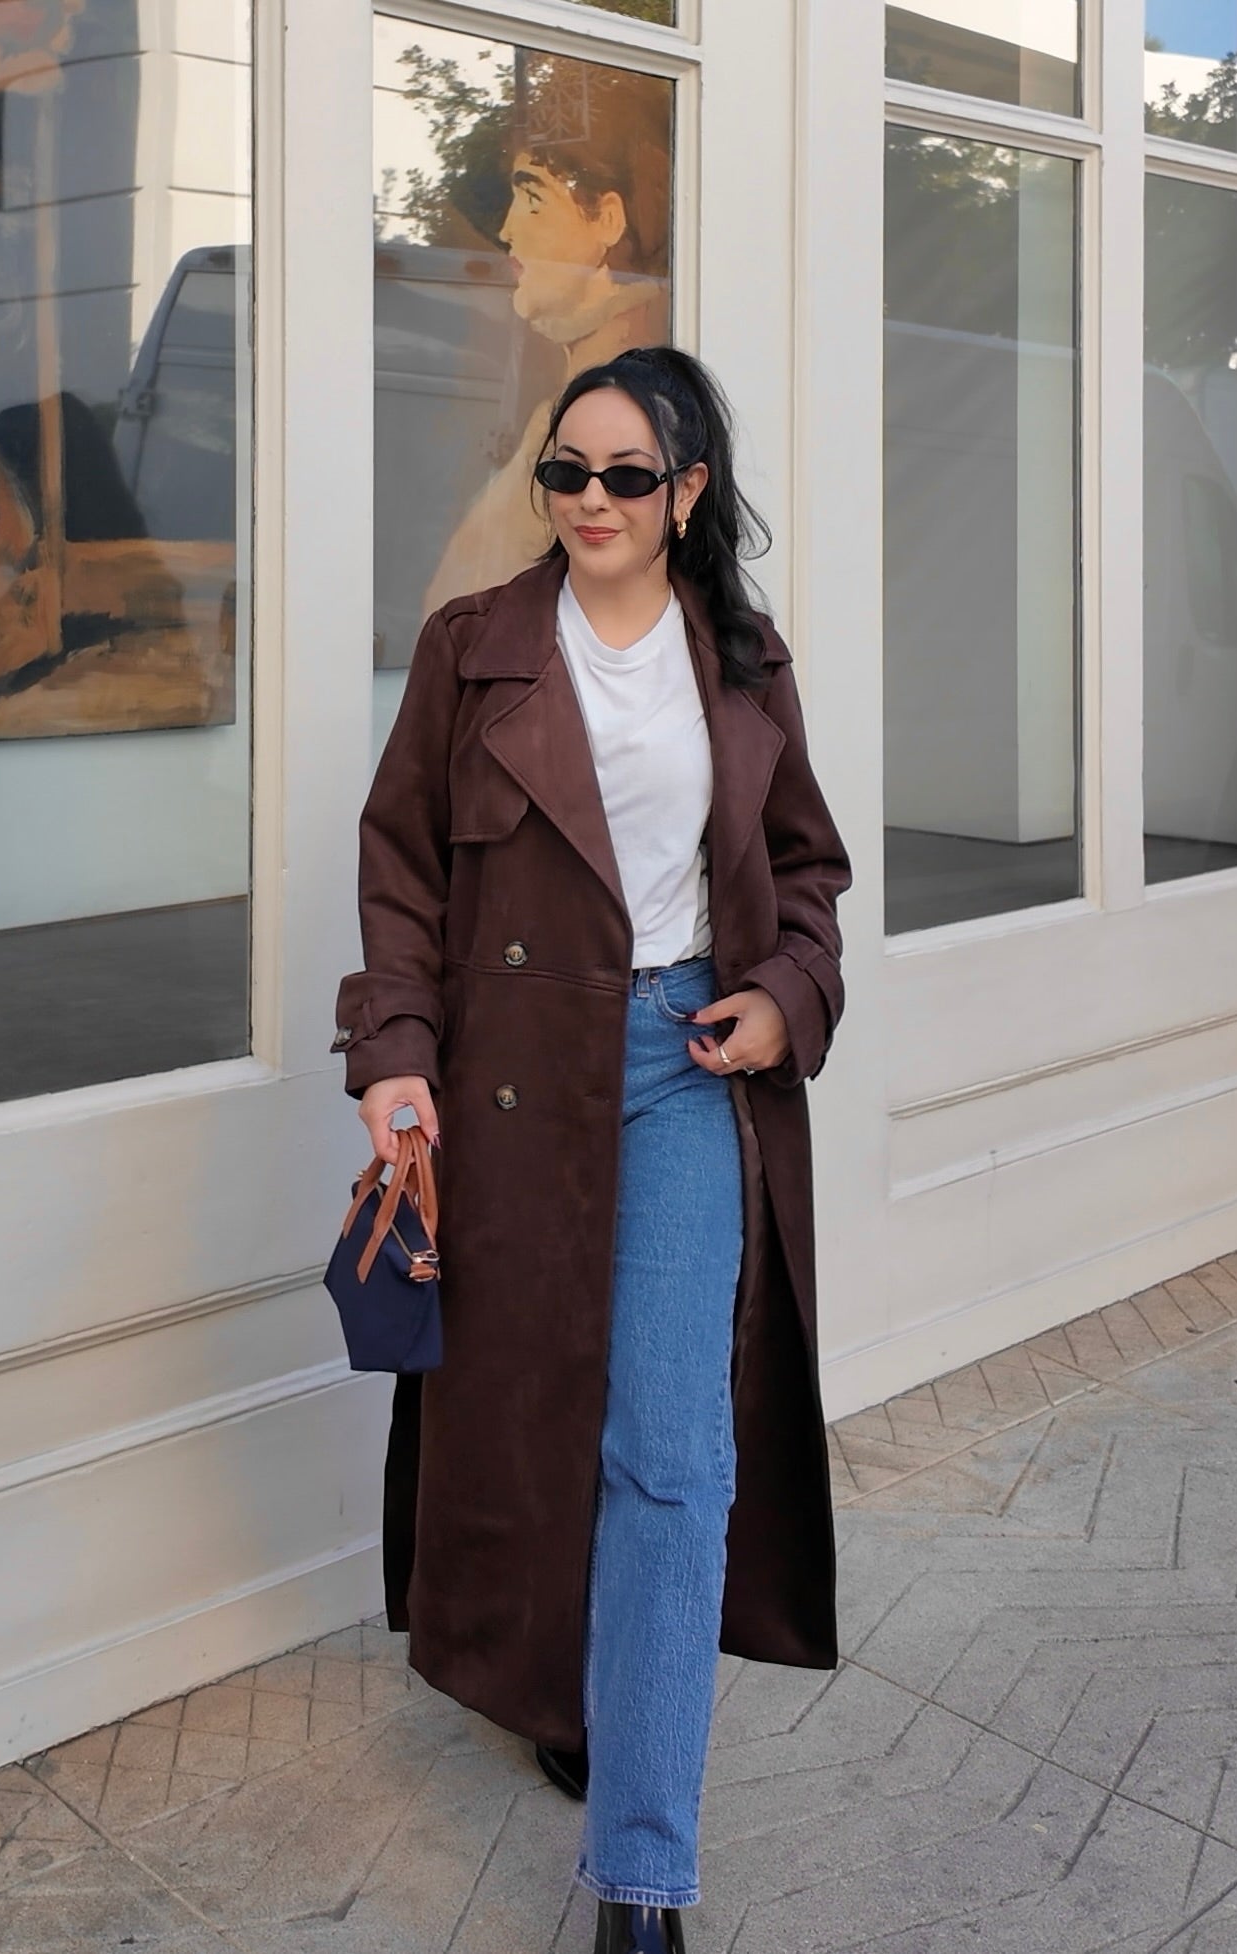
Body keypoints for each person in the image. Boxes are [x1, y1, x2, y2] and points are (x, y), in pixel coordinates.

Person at [334, 346, 850, 1953]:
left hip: (686, 1062)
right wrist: (393, 1056)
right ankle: (572, 1687)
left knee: (673, 1456)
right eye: (566, 469)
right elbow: (401, 873)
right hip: (511, 1080)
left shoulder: (742, 657)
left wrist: (781, 996)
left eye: (627, 474)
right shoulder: (474, 648)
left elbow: (807, 872)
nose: (591, 500)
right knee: (536, 1421)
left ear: (686, 490)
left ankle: (639, 1874)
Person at [421, 59, 671, 617]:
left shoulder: (609, 408)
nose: (507, 230)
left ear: (608, 220)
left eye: (534, 200)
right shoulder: (566, 389)